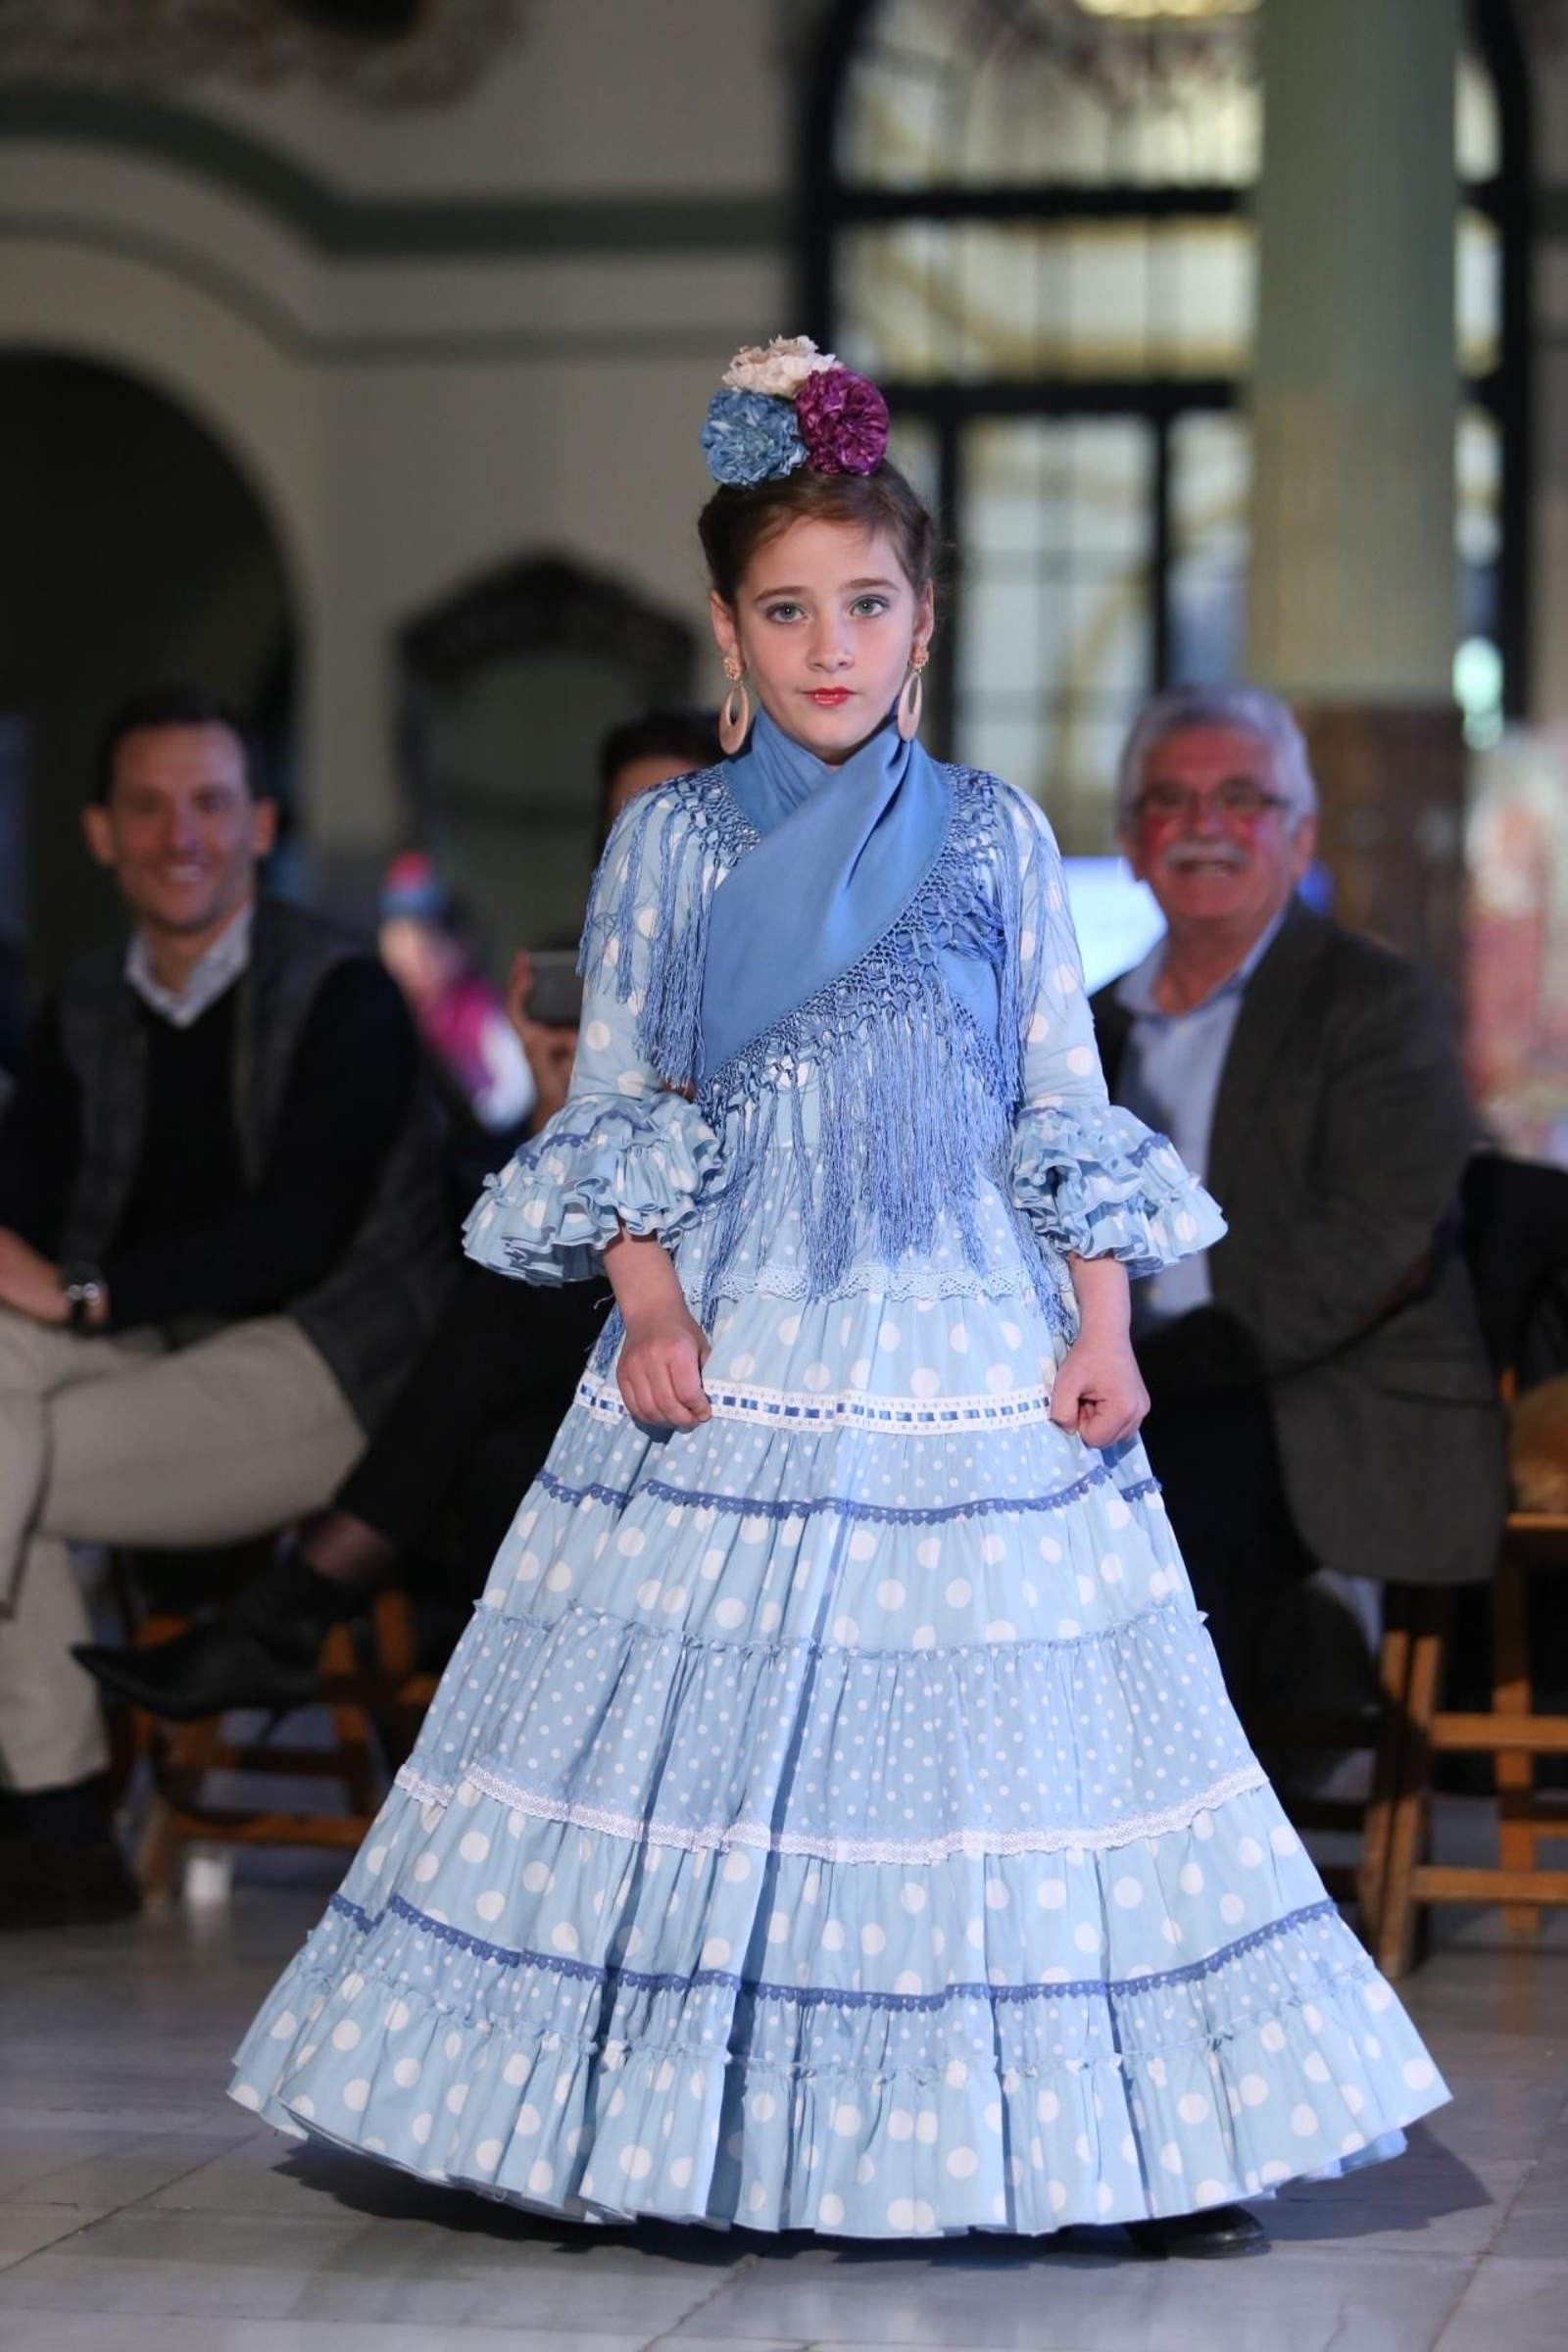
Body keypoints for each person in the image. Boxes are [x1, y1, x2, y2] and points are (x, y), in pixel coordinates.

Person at [227, 340, 1446, 2257]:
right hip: (735, 1332)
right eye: (784, 609)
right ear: (729, 624)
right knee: (706, 1756)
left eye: (861, 605)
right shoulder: (670, 843)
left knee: (1017, 1754)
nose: (826, 645)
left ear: (921, 619)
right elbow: (616, 1094)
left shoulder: (983, 839)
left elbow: (1060, 1100)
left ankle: (1112, 2151)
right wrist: (641, 1303)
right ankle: (673, 2134)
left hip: (971, 1339)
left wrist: (1102, 1328)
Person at [76, 708, 721, 1724]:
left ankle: (301, 1607)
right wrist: (560, 1094)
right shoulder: (610, 966)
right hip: (610, 1314)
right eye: (624, 819)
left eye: (675, 809)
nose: (650, 839)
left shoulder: (779, 959)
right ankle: (451, 1711)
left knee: (498, 1314)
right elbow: (558, 1201)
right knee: (497, 1440)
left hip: (733, 1303)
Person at [0, 687, 453, 1928]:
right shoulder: (85, 1007)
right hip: (152, 1360)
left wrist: (85, 1293)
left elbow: (293, 1237)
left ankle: (55, 1815)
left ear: (258, 824)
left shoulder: (342, 992)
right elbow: (28, 1222)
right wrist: (59, 1284)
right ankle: (55, 1826)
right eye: (146, 807)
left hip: (328, 1369)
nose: (178, 834)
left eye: (208, 803)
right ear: (100, 832)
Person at [1091, 686, 1504, 1729]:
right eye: (1169, 803)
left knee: (1172, 1497)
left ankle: (1206, 1857)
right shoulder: (1077, 1036)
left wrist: (1164, 1369)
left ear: (1299, 832)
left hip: (1316, 1397)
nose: (1203, 828)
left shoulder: (1375, 1004)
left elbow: (1372, 1248)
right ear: (1130, 842)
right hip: (1109, 1393)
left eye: (1241, 798)